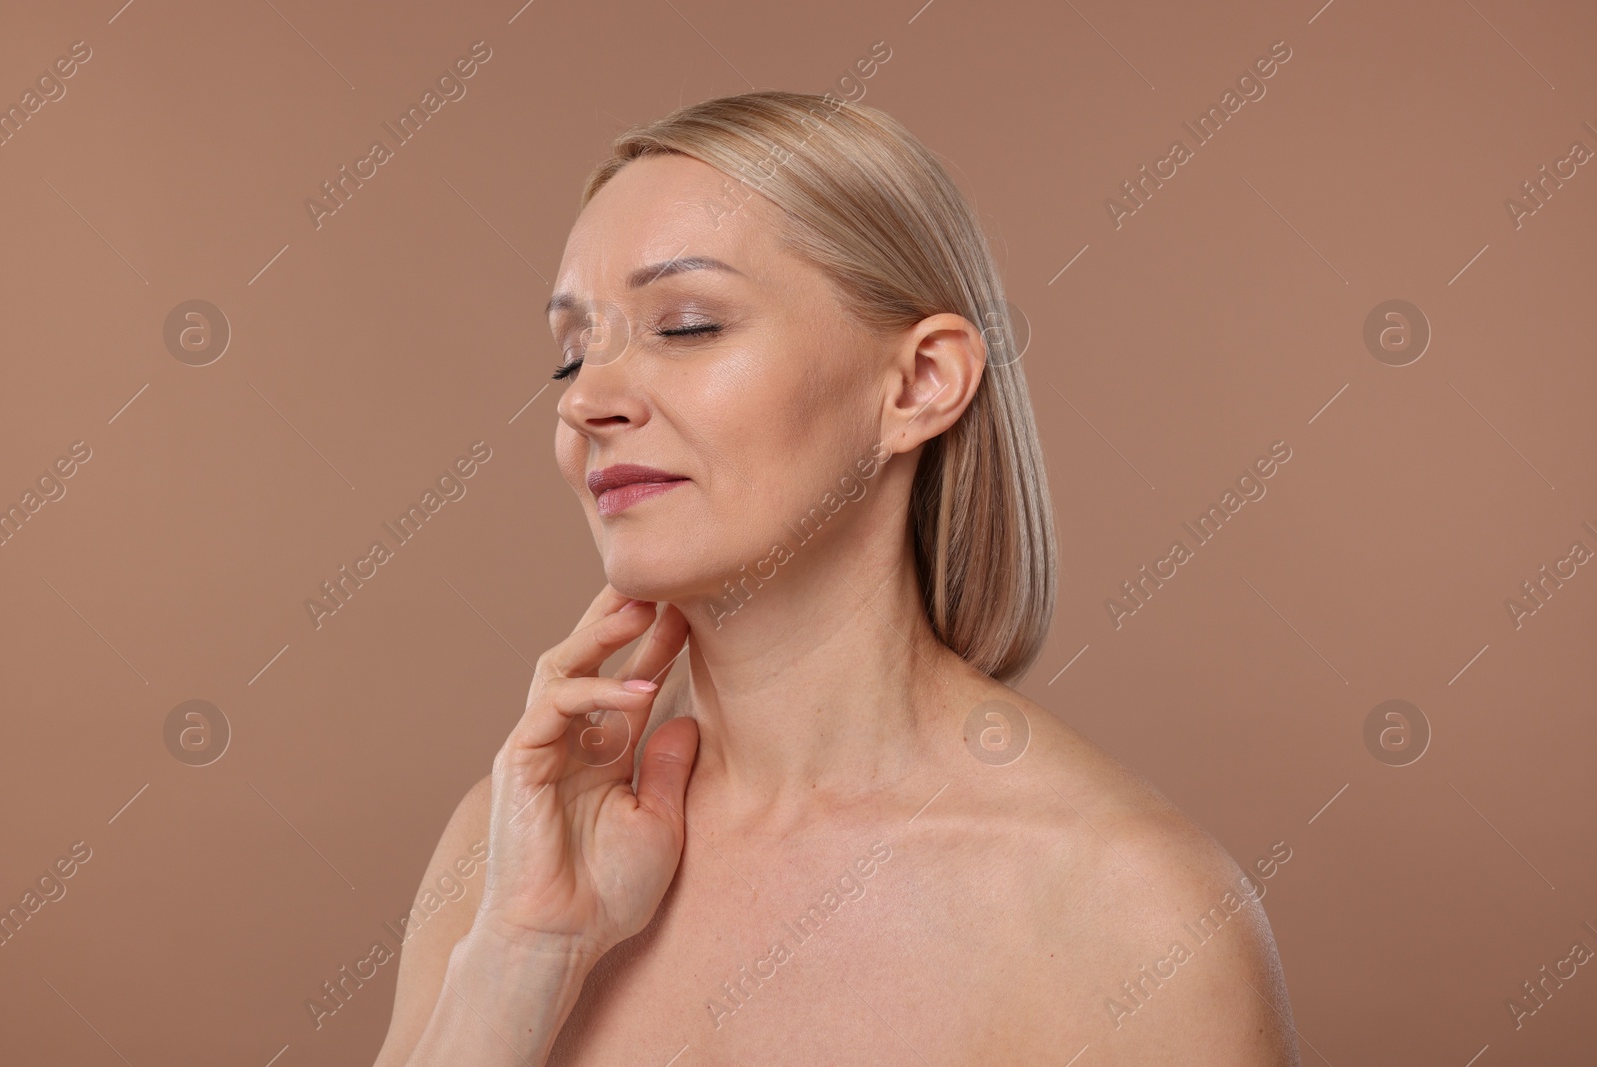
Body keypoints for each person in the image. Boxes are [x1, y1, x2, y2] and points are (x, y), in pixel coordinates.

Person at [374, 90, 1299, 1066]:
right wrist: (525, 948)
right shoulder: (508, 848)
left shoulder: (1132, 917)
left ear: (918, 383)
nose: (589, 403)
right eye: (571, 357)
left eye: (685, 326)